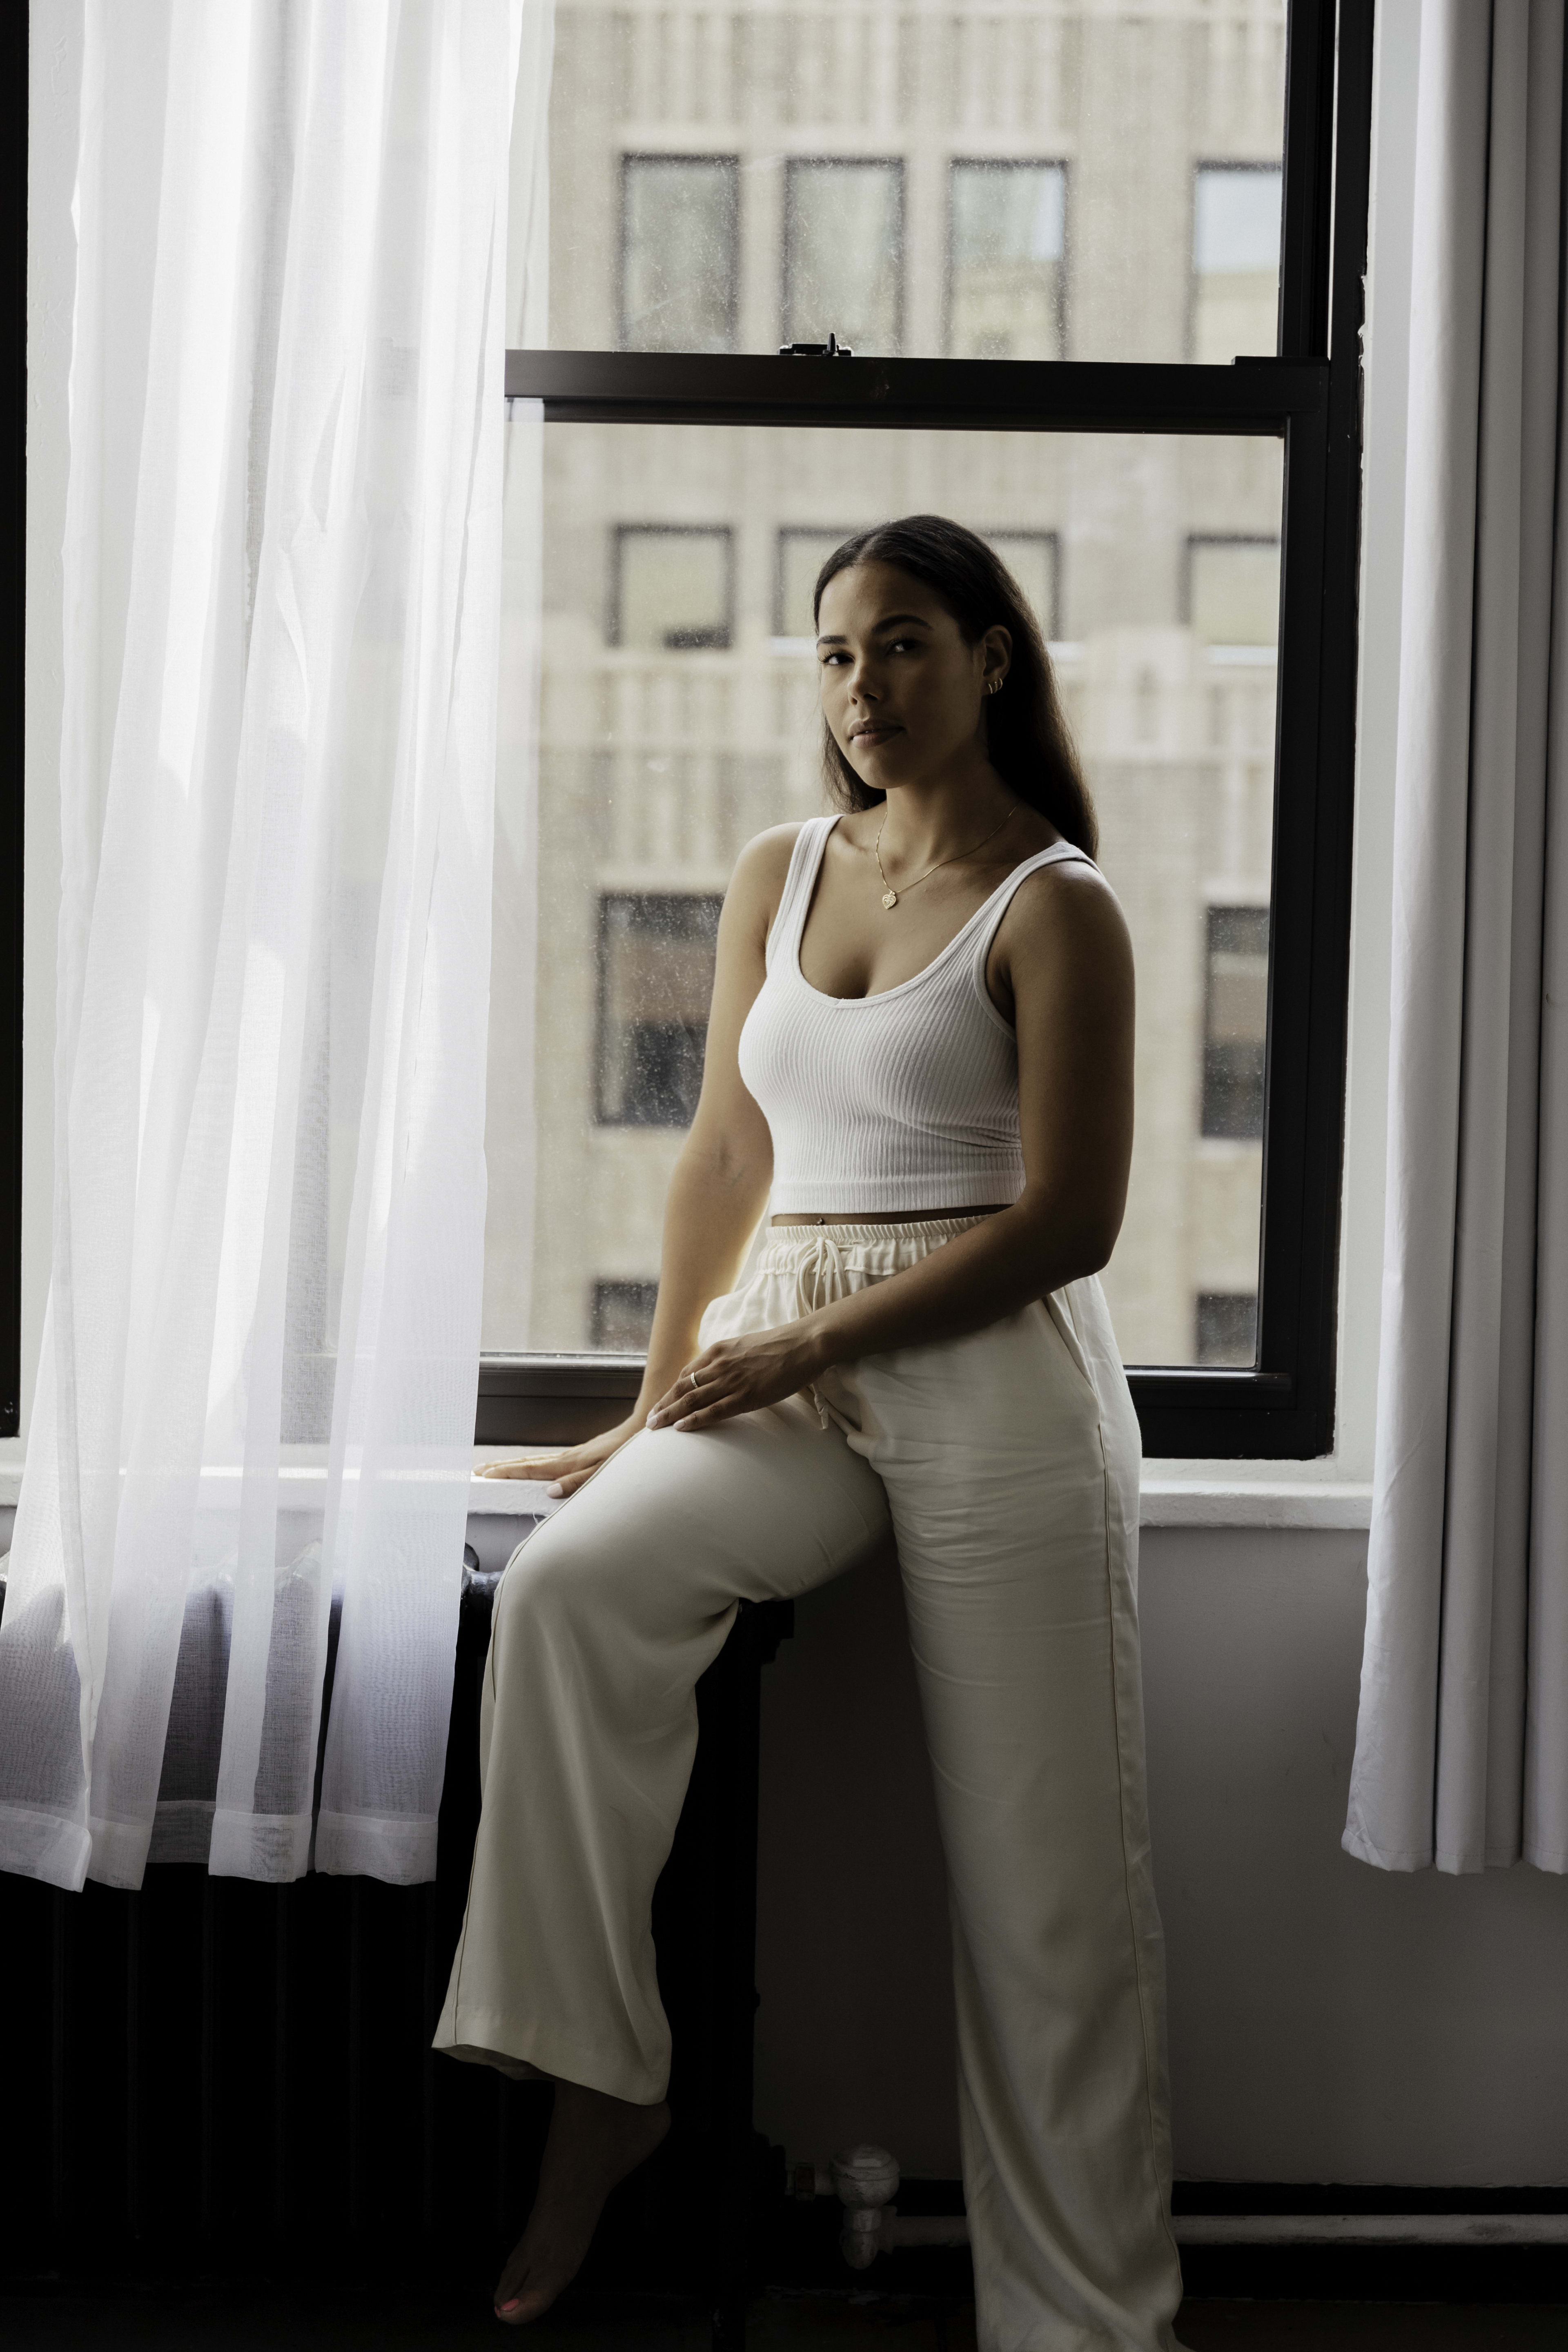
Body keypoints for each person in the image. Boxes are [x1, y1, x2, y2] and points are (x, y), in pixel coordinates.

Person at [436, 514, 1186, 2350]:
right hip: (786, 1356)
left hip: (996, 1374)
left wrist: (806, 1343)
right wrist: (650, 1398)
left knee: (1044, 1885)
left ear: (994, 656)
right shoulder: (779, 868)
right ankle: (602, 2079)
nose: (867, 689)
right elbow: (726, 1157)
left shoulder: (1057, 902)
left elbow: (1070, 1224)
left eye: (907, 645)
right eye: (841, 655)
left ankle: (1086, 2323)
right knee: (571, 1594)